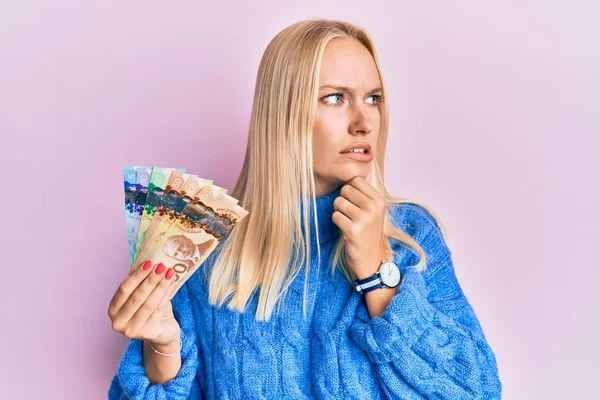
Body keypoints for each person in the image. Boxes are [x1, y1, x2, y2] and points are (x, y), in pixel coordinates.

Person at [107, 18, 502, 399]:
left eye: (374, 99)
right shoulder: (206, 243)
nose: (365, 122)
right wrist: (163, 346)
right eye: (335, 98)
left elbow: (479, 391)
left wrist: (378, 274)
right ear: (283, 115)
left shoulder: (411, 235)